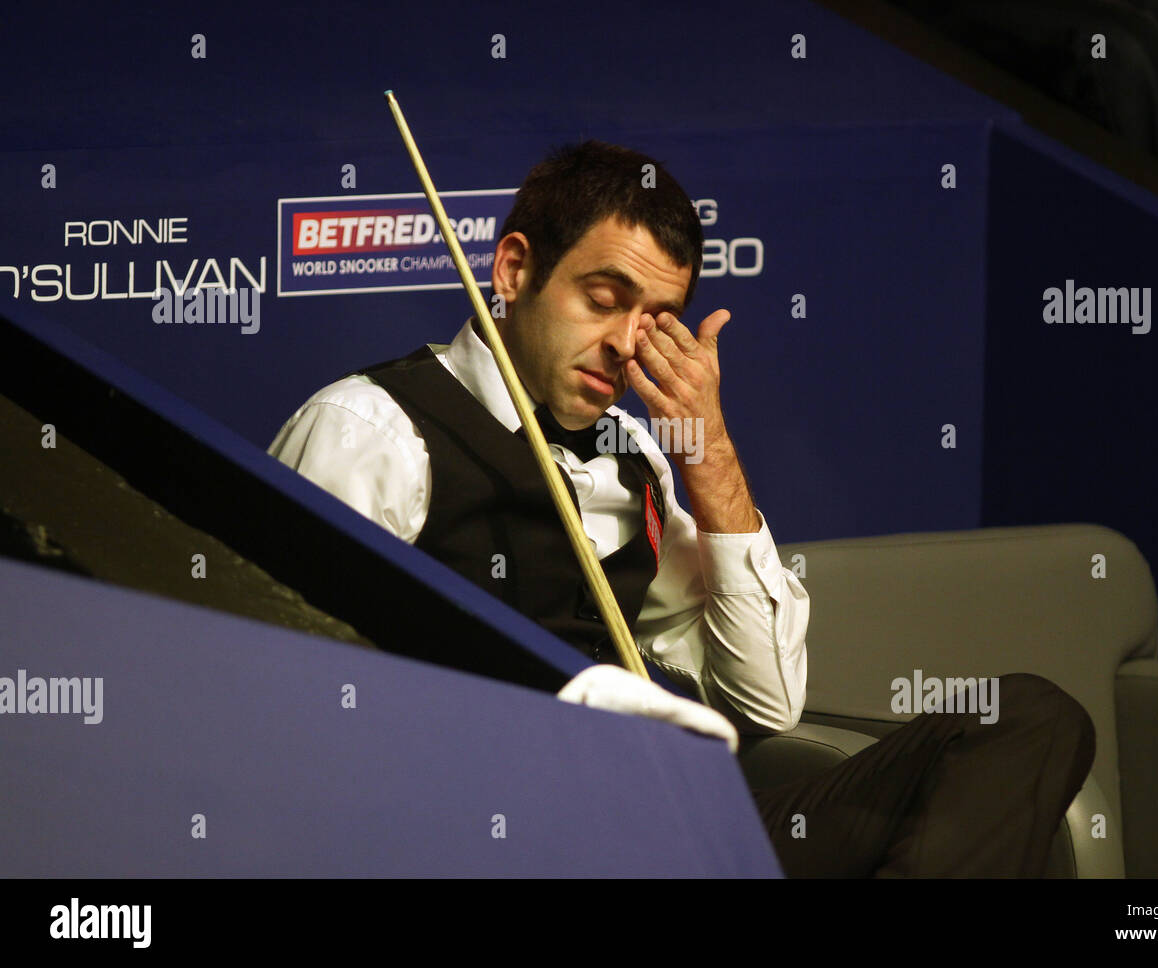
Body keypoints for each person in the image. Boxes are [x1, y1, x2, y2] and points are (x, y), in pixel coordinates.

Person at [269, 140, 1095, 877]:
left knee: (1029, 717)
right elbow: (290, 715)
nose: (629, 343)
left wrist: (712, 458)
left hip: (671, 832)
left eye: (656, 319)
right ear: (516, 270)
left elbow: (767, 701)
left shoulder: (639, 457)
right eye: (603, 298)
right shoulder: (370, 431)